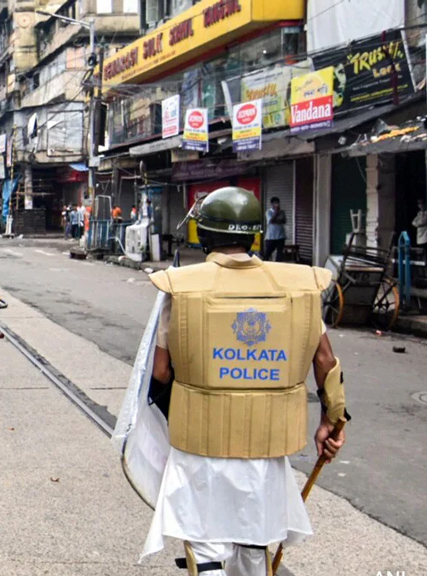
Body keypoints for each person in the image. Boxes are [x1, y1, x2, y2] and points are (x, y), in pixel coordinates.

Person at [142, 187, 347, 576]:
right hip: (268, 441)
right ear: (254, 235)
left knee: (202, 537)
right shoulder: (298, 287)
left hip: (199, 440)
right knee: (255, 536)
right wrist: (332, 421)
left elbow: (160, 372)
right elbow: (324, 360)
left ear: (203, 235)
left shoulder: (181, 288)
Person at [263, 196, 287, 261]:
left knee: (279, 254)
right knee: (267, 253)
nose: (277, 204)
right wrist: (276, 212)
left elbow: (284, 221)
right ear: (272, 204)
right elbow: (271, 220)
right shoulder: (268, 212)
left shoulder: (282, 212)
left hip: (280, 236)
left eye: (278, 202)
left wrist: (276, 220)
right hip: (271, 237)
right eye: (275, 203)